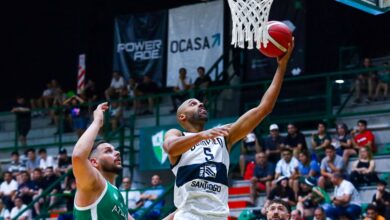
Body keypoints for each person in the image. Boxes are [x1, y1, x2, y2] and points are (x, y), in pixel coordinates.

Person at [162, 42, 294, 219]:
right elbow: (170, 148)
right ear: (182, 117)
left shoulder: (223, 136)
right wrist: (202, 135)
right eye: (193, 104)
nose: (200, 104)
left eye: (201, 102)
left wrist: (281, 66)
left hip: (218, 215)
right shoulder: (177, 134)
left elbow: (264, 108)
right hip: (189, 215)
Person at [72, 103, 133, 219]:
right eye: (108, 151)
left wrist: (177, 211)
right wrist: (97, 122)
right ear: (94, 162)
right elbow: (78, 156)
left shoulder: (116, 194)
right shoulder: (94, 182)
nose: (117, 152)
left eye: (115, 150)